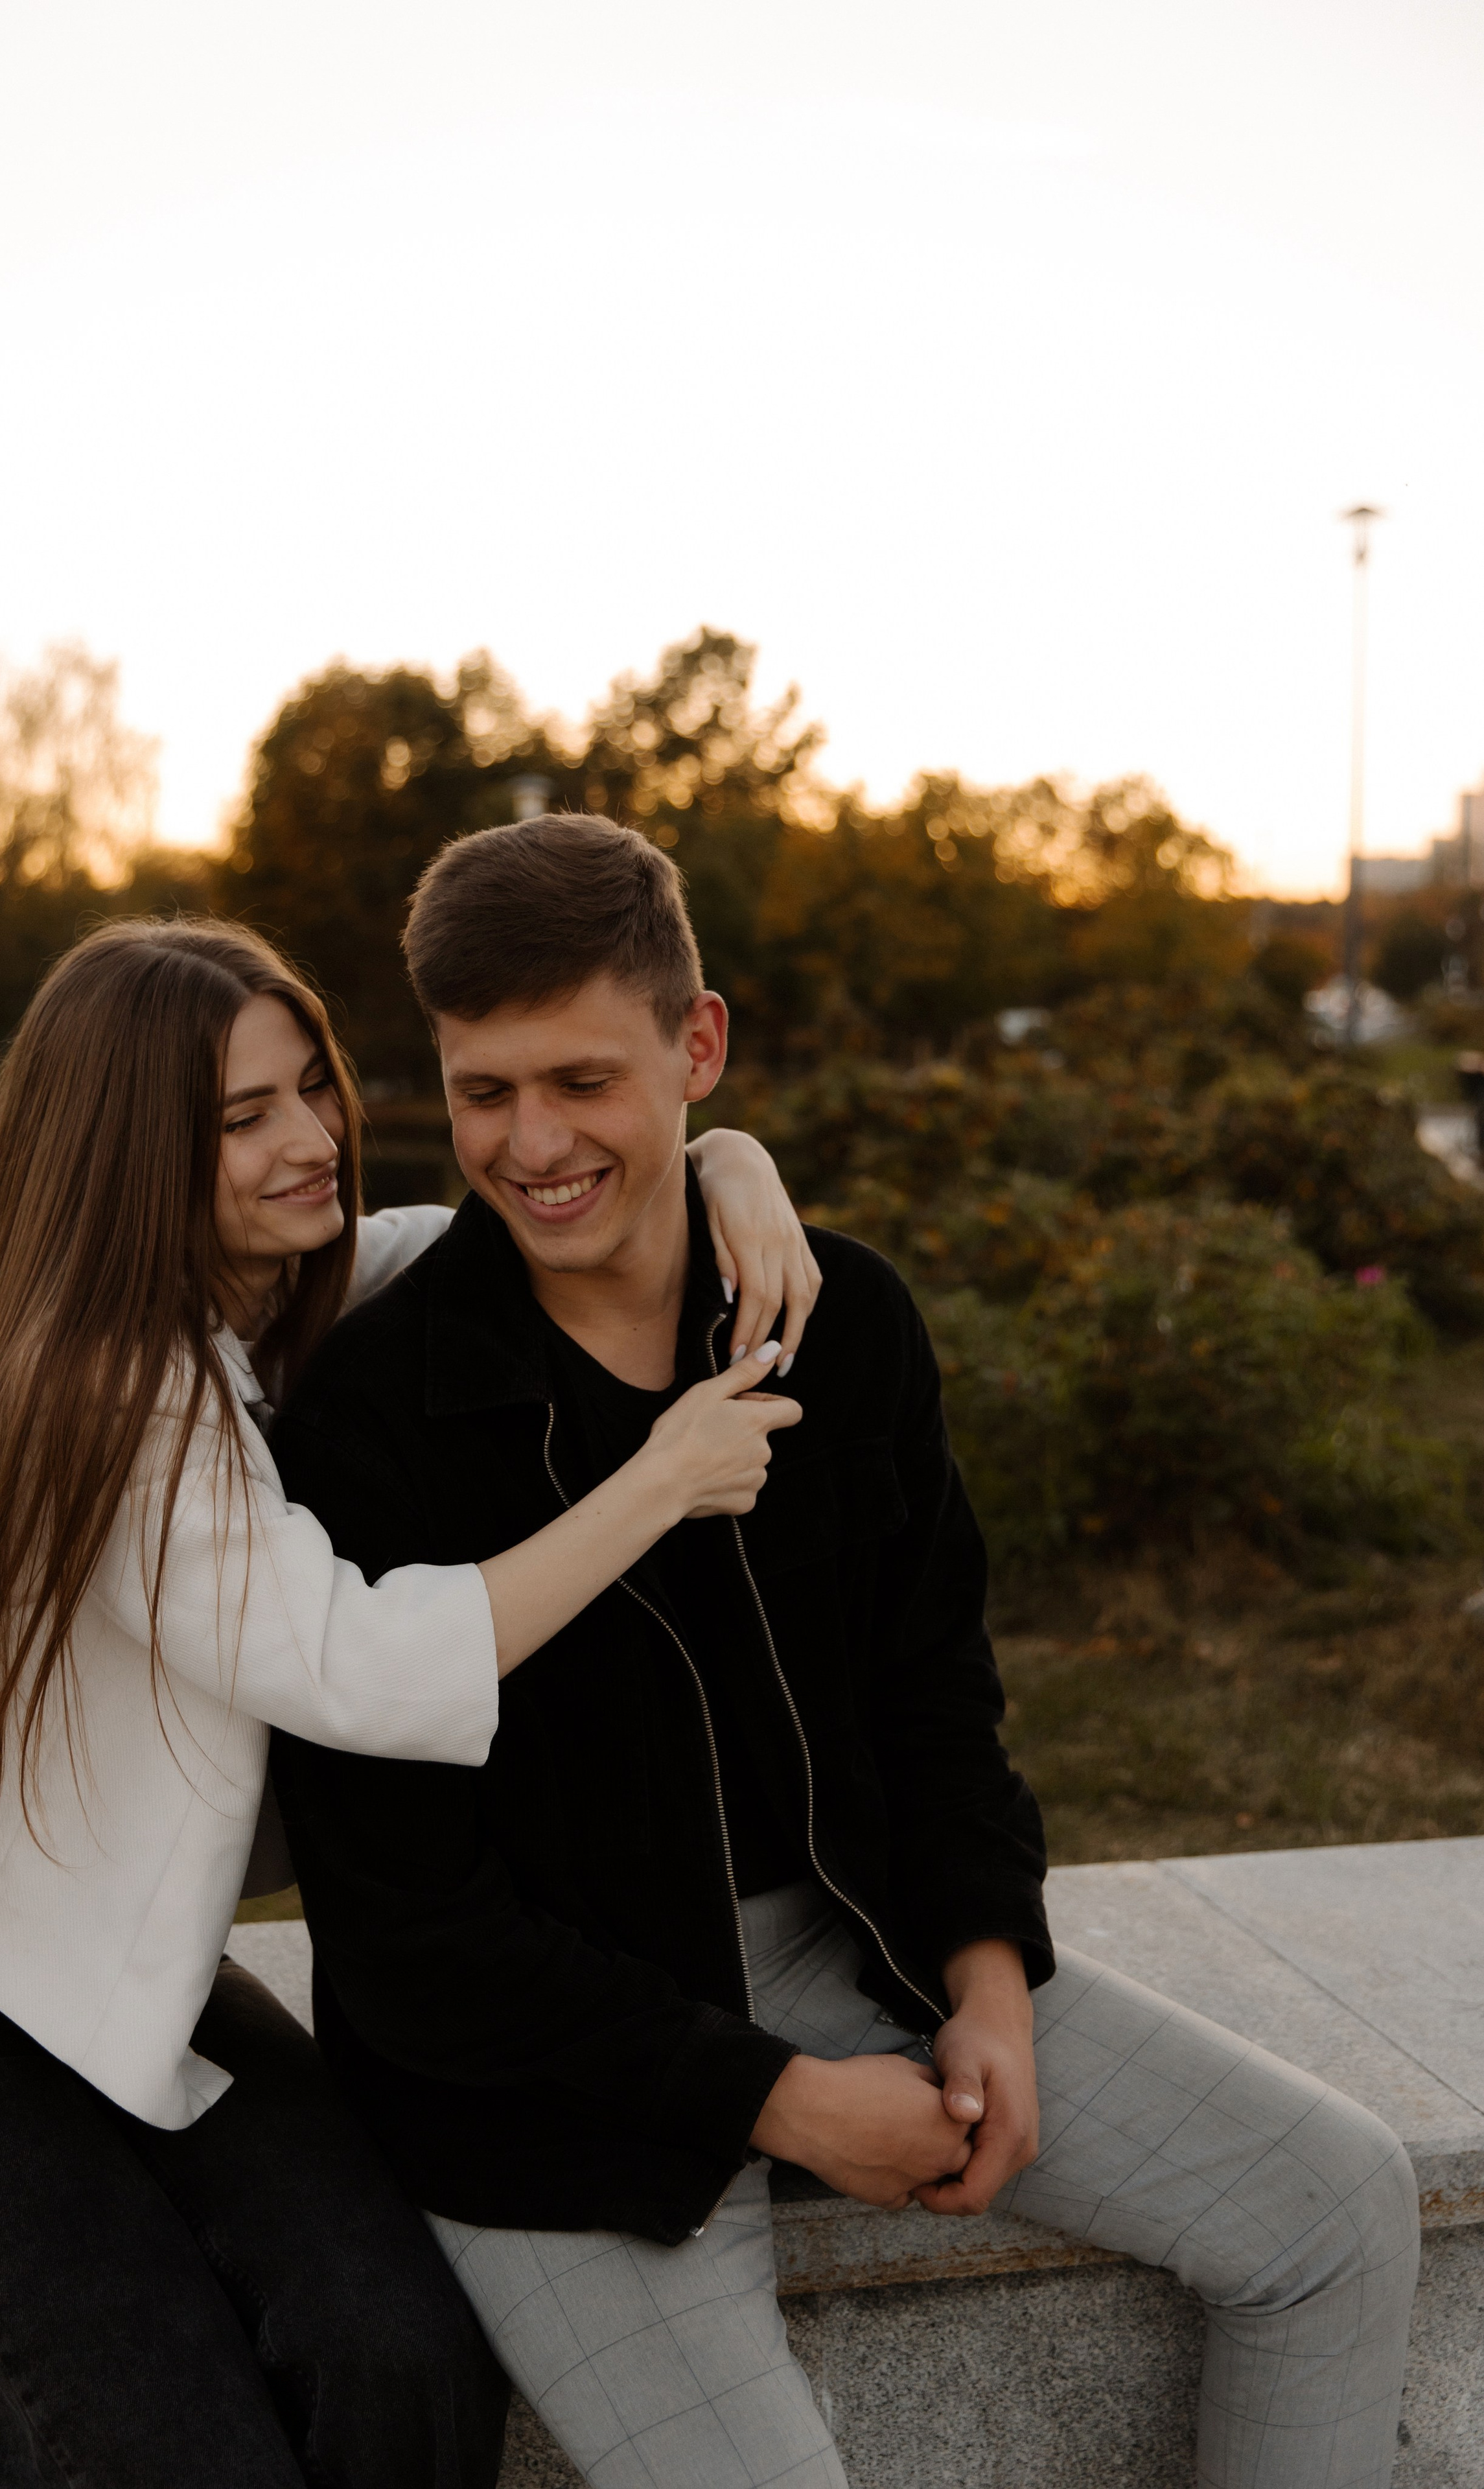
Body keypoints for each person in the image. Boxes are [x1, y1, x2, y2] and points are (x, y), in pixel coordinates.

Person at [270, 816, 1422, 2489]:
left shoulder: (846, 1323)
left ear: (700, 1047)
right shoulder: (373, 1421)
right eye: (481, 1092)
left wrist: (989, 1978)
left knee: (1341, 2207)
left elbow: (936, 1695)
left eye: (583, 1081)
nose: (531, 1146)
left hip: (849, 1948)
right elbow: (408, 1944)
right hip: (545, 2087)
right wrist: (782, 2100)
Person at [0, 916, 817, 2489]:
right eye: (242, 1119)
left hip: (136, 1981)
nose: (312, 1140)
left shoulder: (258, 1297)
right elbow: (352, 1665)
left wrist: (725, 1162)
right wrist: (657, 1483)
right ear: (131, 1150)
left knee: (406, 2360)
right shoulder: (100, 1387)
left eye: (311, 1089)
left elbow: (480, 1229)